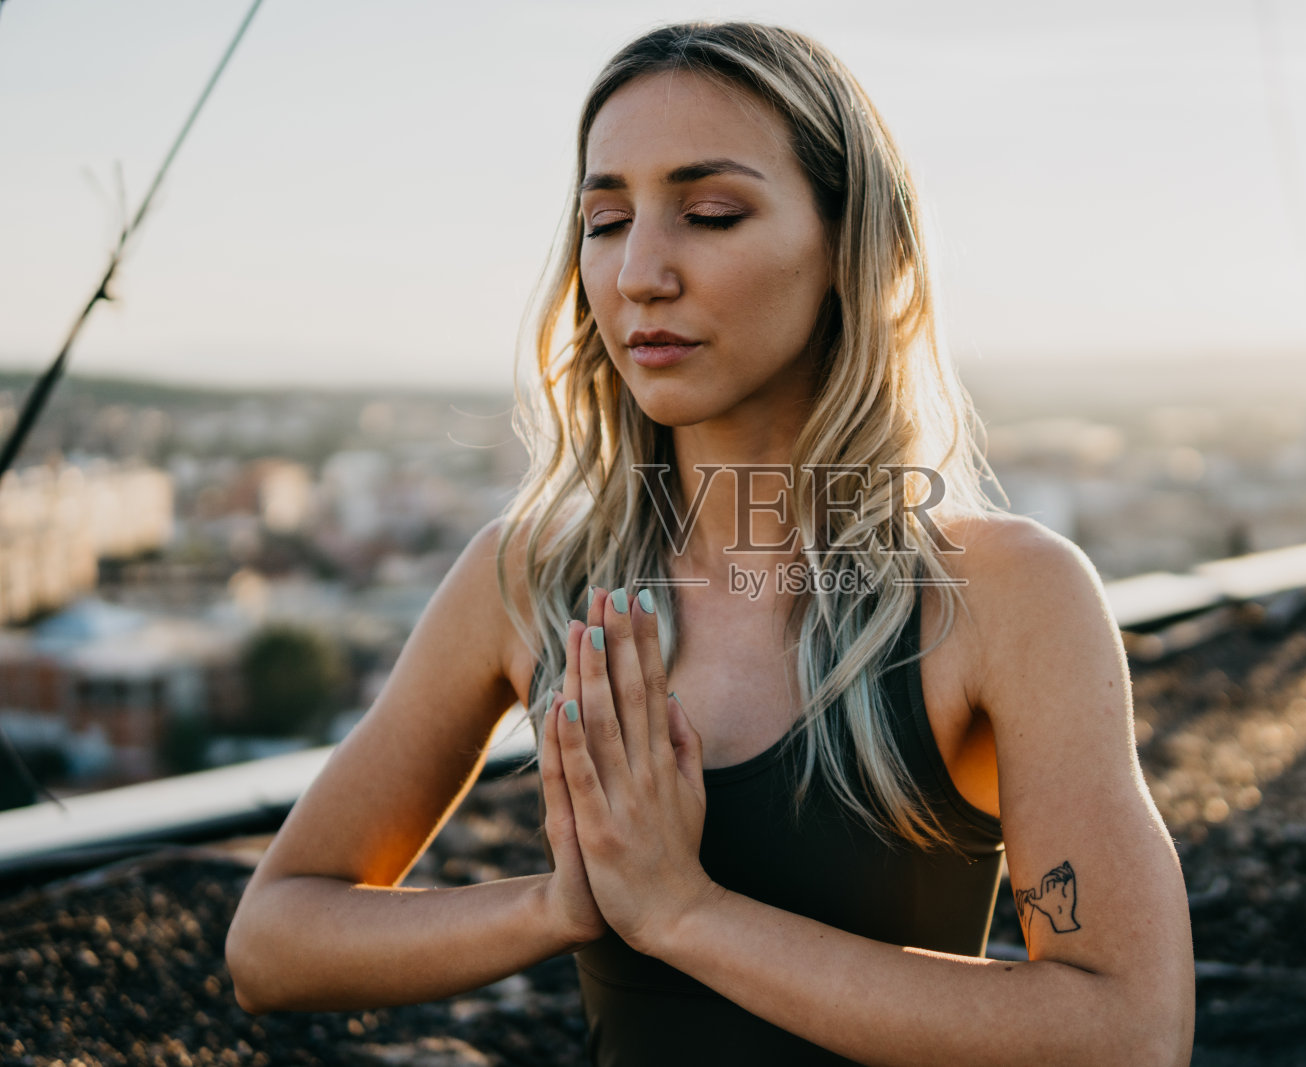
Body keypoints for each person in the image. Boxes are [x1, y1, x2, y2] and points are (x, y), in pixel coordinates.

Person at [226, 20, 1195, 1066]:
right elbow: (273, 944)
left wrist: (687, 913)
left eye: (710, 213)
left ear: (854, 247)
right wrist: (563, 903)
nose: (640, 271)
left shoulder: (1001, 592)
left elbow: (1127, 1034)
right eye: (605, 219)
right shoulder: (532, 576)